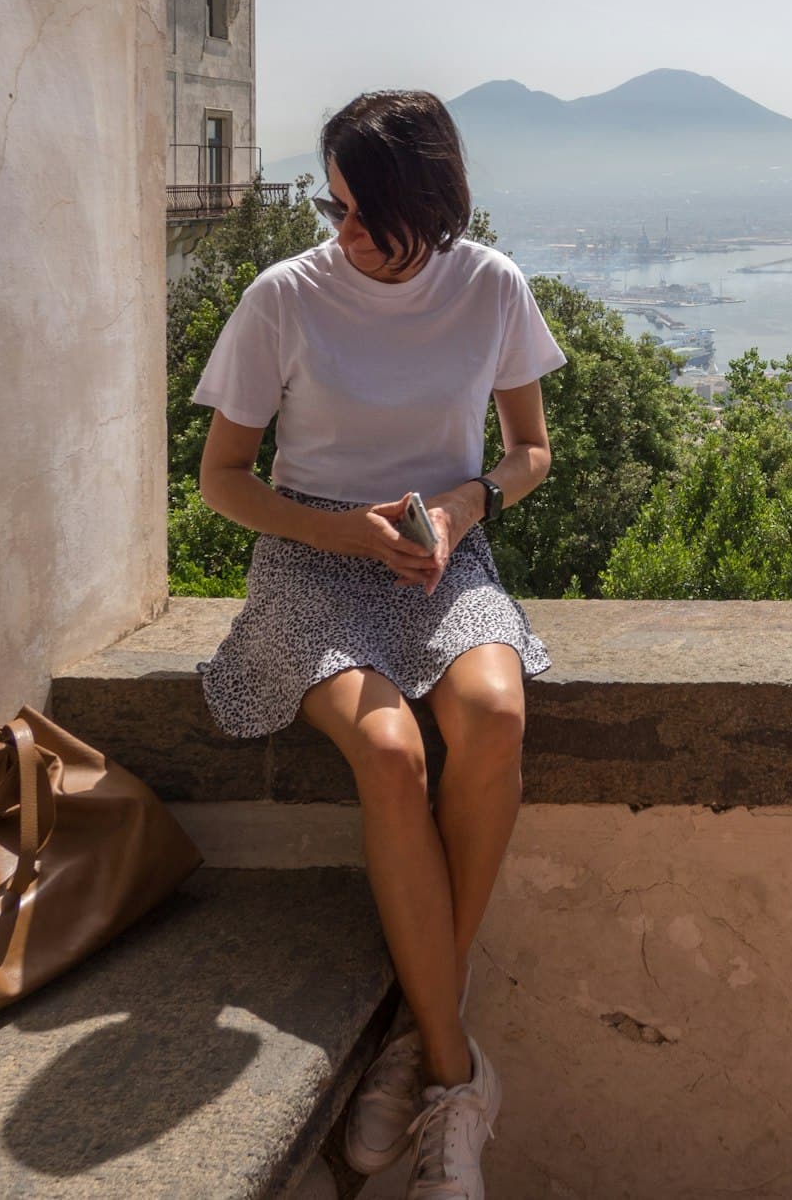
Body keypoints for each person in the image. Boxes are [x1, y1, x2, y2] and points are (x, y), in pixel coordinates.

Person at [190, 90, 566, 1200]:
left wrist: (460, 511)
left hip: (441, 558)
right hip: (310, 561)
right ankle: (453, 1077)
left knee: (494, 715)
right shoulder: (284, 298)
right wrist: (331, 531)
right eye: (334, 205)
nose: (343, 232)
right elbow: (219, 480)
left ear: (433, 208)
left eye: (368, 213)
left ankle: (412, 1031)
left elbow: (531, 450)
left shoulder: (489, 285)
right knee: (393, 754)